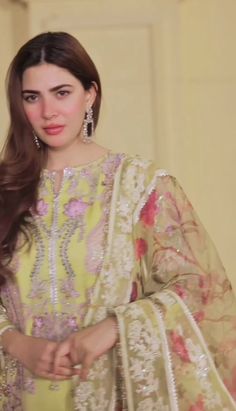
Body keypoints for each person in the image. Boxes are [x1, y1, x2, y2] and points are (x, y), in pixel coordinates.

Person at [0, 31, 235, 411]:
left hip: (109, 395)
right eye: (32, 97)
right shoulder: (5, 189)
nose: (48, 111)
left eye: (62, 93)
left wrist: (113, 328)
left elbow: (199, 287)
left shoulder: (139, 184)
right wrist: (15, 341)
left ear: (90, 94)